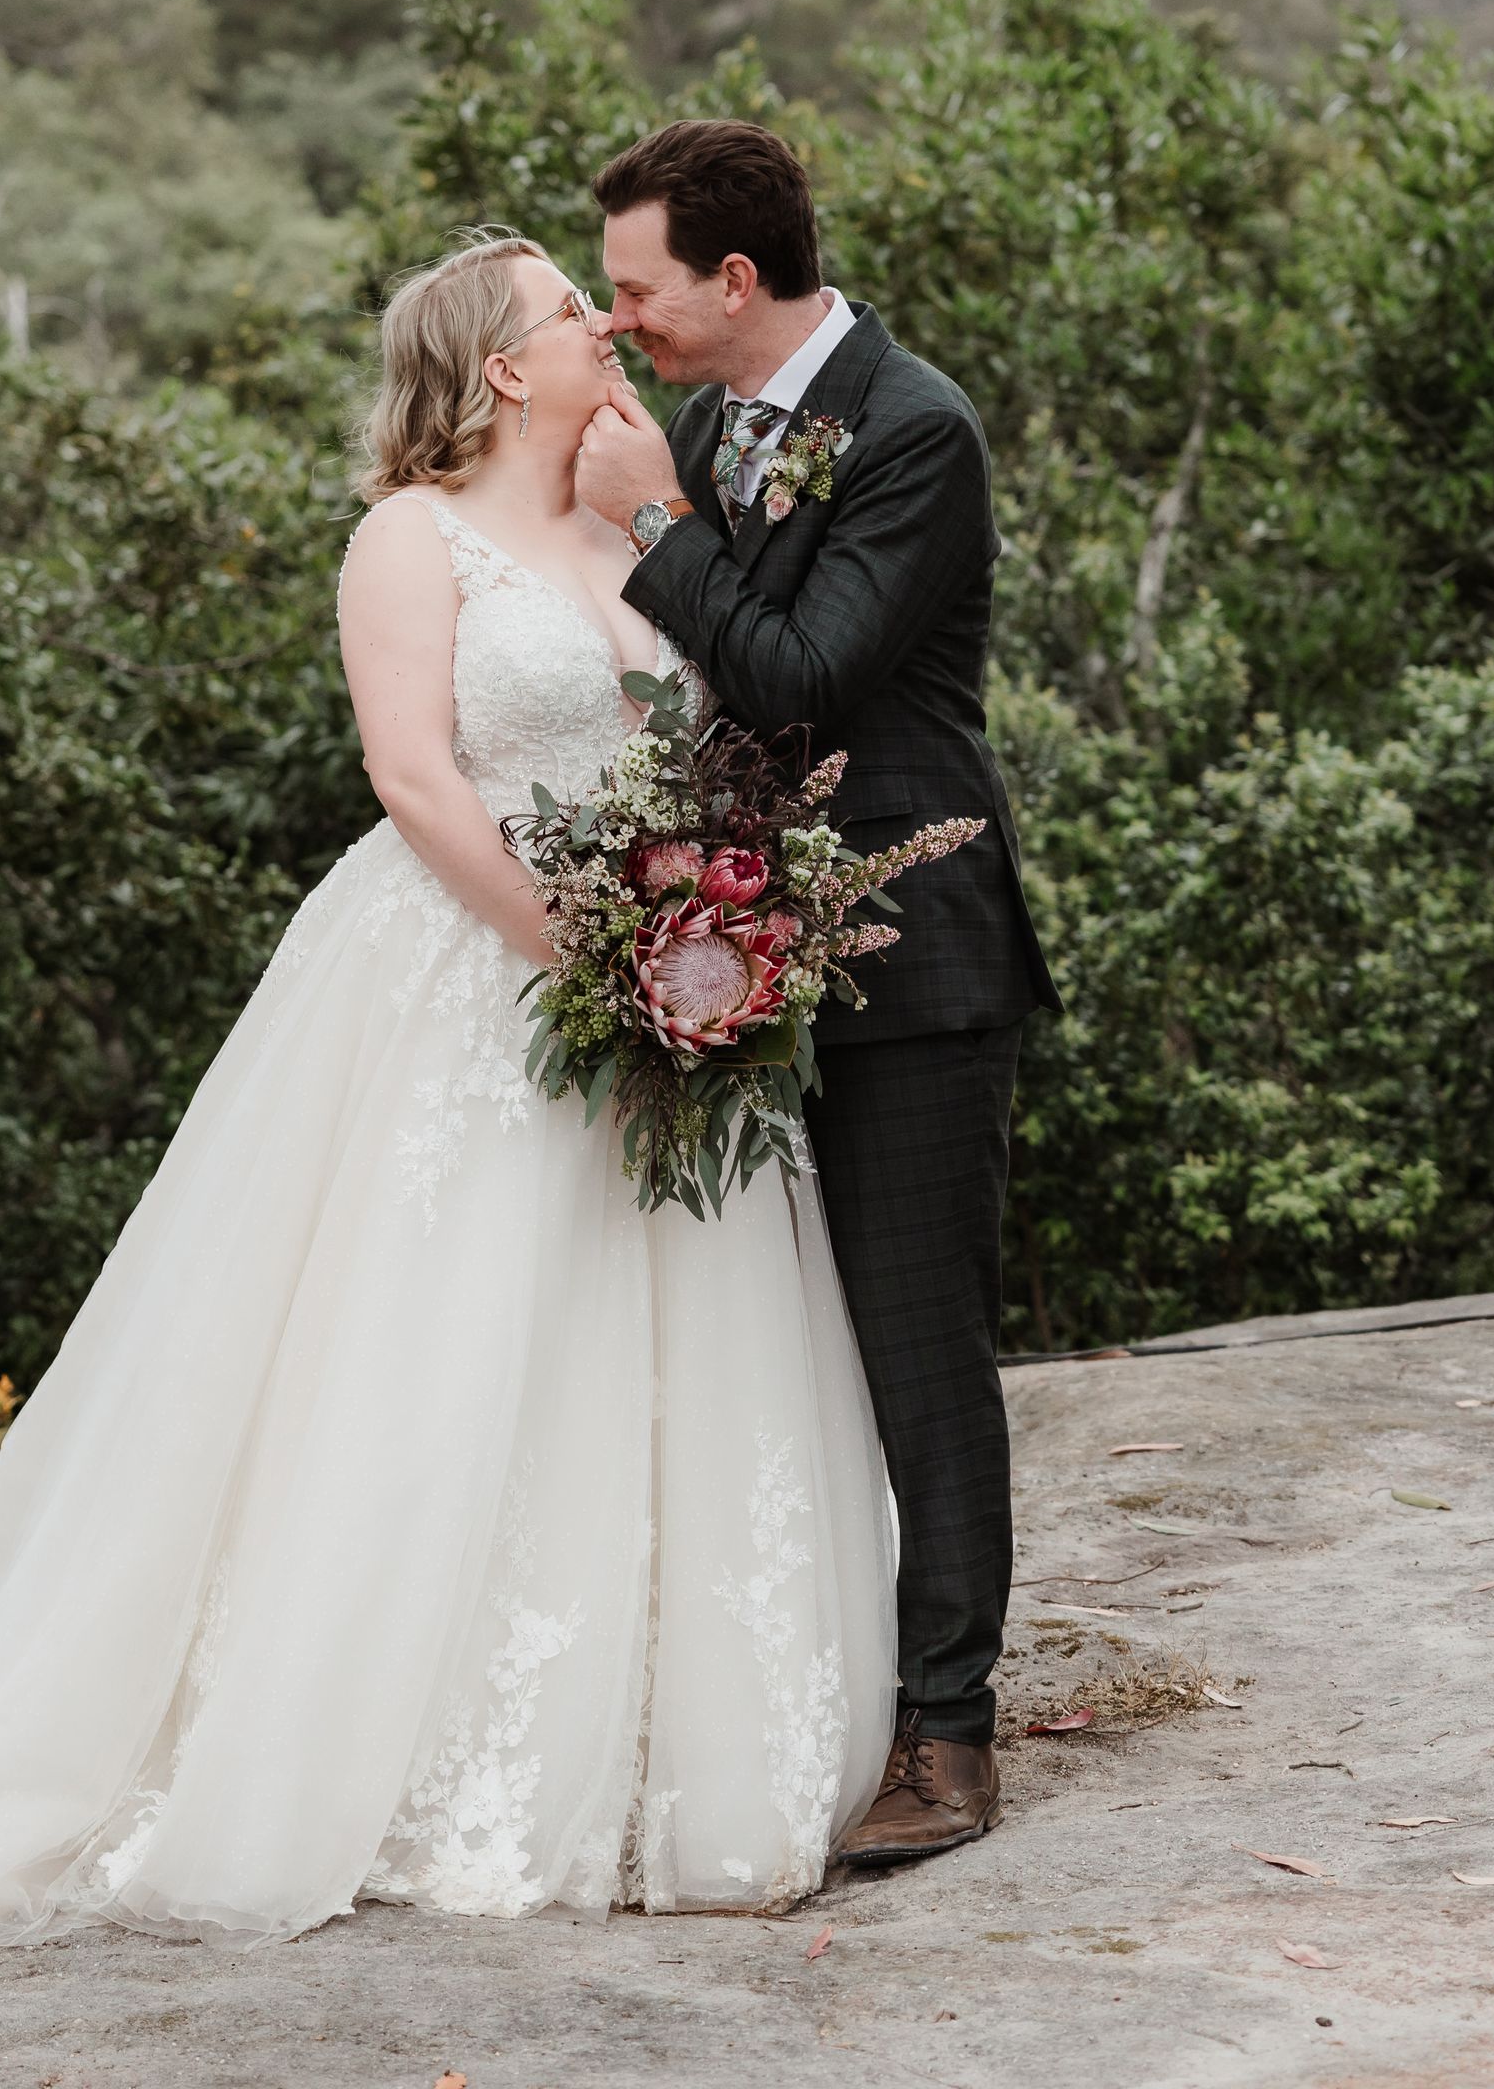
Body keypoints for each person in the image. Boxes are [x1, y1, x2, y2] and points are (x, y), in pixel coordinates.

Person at [0, 230, 895, 1953]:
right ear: (504, 368)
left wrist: (704, 939)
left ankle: (666, 1738)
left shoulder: (637, 512)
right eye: (568, 314)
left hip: (663, 974)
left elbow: (727, 728)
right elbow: (413, 777)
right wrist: (584, 960)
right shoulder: (407, 537)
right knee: (430, 1338)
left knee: (665, 1340)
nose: (608, 328)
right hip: (468, 969)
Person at [577, 122, 1060, 1866]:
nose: (621, 324)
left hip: (916, 954)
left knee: (921, 1347)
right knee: (770, 1341)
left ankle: (949, 1737)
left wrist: (643, 521)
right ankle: (811, 1683)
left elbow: (793, 674)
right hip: (740, 949)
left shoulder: (916, 427)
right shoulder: (711, 425)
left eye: (638, 290)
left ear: (730, 276)